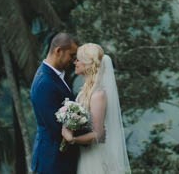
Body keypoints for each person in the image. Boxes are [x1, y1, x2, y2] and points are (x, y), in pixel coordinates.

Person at [62, 42, 131, 174]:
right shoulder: (84, 92)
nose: (75, 62)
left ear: (88, 64)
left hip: (95, 157)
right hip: (85, 154)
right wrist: (67, 125)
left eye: (78, 59)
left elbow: (98, 134)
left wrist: (73, 139)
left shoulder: (98, 95)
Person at [30, 32, 80, 174]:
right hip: (52, 162)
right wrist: (89, 132)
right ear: (59, 51)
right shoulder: (45, 82)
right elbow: (56, 127)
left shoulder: (54, 75)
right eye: (71, 55)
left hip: (59, 159)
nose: (73, 60)